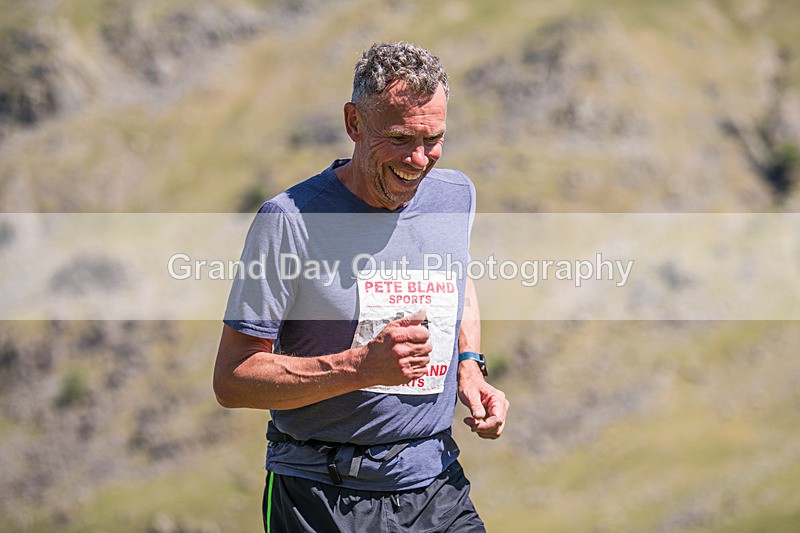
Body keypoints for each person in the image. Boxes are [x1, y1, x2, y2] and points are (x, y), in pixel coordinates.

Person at [214, 41, 509, 532]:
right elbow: (232, 379)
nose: (418, 159)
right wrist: (359, 367)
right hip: (322, 496)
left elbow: (458, 279)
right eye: (398, 138)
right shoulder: (289, 221)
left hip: (437, 485)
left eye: (433, 139)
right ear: (354, 122)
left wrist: (469, 365)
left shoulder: (455, 195)